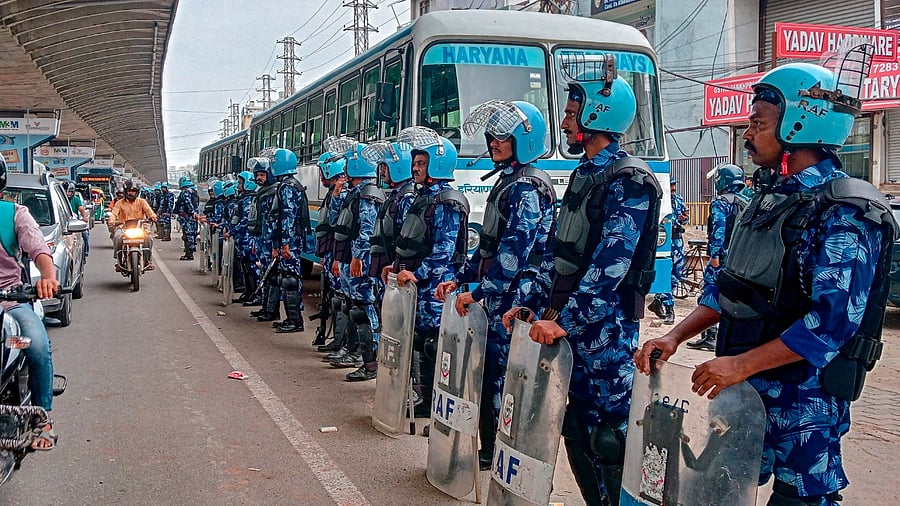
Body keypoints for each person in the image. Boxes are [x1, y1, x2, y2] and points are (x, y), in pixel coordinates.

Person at [635, 58, 898, 506]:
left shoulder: (845, 212)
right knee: (710, 489)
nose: (747, 134)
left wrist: (740, 365)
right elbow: (727, 288)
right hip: (744, 389)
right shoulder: (767, 198)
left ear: (798, 124)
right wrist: (675, 336)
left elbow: (830, 325)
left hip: (804, 402)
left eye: (758, 123)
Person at [504, 71, 662, 505]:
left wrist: (566, 321)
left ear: (598, 116)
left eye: (572, 114)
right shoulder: (584, 175)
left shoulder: (629, 179)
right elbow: (558, 252)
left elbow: (612, 265)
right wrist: (531, 304)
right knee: (575, 426)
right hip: (572, 325)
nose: (565, 123)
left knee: (609, 435)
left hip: (606, 330)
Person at [434, 99, 556, 470]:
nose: (493, 143)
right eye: (492, 136)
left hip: (517, 297)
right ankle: (489, 448)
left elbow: (513, 256)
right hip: (500, 295)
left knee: (505, 380)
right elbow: (488, 247)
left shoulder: (527, 187)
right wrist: (460, 278)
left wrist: (478, 292)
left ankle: (502, 451)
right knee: (488, 375)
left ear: (524, 140)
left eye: (502, 136)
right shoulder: (508, 183)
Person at [388, 127, 469, 417]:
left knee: (436, 345)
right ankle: (424, 399)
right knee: (420, 341)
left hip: (436, 287)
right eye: (415, 163)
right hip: (419, 286)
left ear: (438, 164)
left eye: (422, 163)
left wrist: (418, 274)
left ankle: (441, 401)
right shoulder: (423, 197)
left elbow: (443, 251)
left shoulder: (446, 201)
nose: (415, 168)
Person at [0, 155, 59, 450]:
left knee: (35, 344)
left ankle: (41, 419)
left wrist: (48, 277)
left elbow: (39, 250)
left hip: (9, 303)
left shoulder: (14, 214)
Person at [326, 138, 385, 381]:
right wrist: (337, 195)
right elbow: (336, 222)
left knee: (363, 310)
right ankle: (356, 354)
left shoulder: (368, 195)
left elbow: (367, 230)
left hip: (359, 261)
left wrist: (358, 256)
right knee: (353, 308)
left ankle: (369, 362)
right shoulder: (354, 193)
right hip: (349, 257)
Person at [684, 163, 747, 352]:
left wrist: (715, 256)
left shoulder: (720, 202)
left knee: (711, 292)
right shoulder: (747, 201)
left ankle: (710, 336)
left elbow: (718, 230)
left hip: (723, 256)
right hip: (741, 257)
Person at [310, 153, 348, 347]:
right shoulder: (333, 192)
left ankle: (340, 342)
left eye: (322, 171)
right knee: (333, 297)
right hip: (331, 252)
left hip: (338, 254)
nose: (320, 176)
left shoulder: (341, 192)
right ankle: (336, 339)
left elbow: (339, 228)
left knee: (341, 300)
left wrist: (336, 258)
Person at [648, 177, 688, 325]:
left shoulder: (678, 200)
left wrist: (684, 218)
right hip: (665, 241)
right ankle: (669, 307)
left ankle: (658, 300)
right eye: (671, 185)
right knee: (666, 274)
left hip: (677, 240)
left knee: (677, 274)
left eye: (674, 184)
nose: (673, 187)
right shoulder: (660, 200)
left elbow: (685, 218)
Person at [109, 179, 157, 269]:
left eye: (134, 191)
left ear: (137, 192)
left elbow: (149, 211)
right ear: (126, 191)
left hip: (140, 227)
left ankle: (147, 261)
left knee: (148, 239)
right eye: (130, 191)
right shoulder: (119, 203)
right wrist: (112, 221)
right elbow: (114, 213)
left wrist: (153, 217)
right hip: (123, 228)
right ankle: (119, 261)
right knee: (117, 237)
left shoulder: (142, 202)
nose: (131, 193)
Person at [172, 176, 200, 260]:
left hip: (187, 217)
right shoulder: (194, 192)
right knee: (191, 234)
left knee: (187, 235)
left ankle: (189, 254)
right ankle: (190, 252)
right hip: (192, 217)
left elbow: (188, 203)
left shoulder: (186, 192)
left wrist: (191, 212)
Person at [63, 180, 90, 257]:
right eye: (65, 191)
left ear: (73, 192)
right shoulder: (60, 199)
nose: (67, 193)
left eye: (69, 192)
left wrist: (84, 217)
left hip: (74, 220)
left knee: (85, 234)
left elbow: (81, 209)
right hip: (63, 222)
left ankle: (85, 252)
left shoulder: (76, 199)